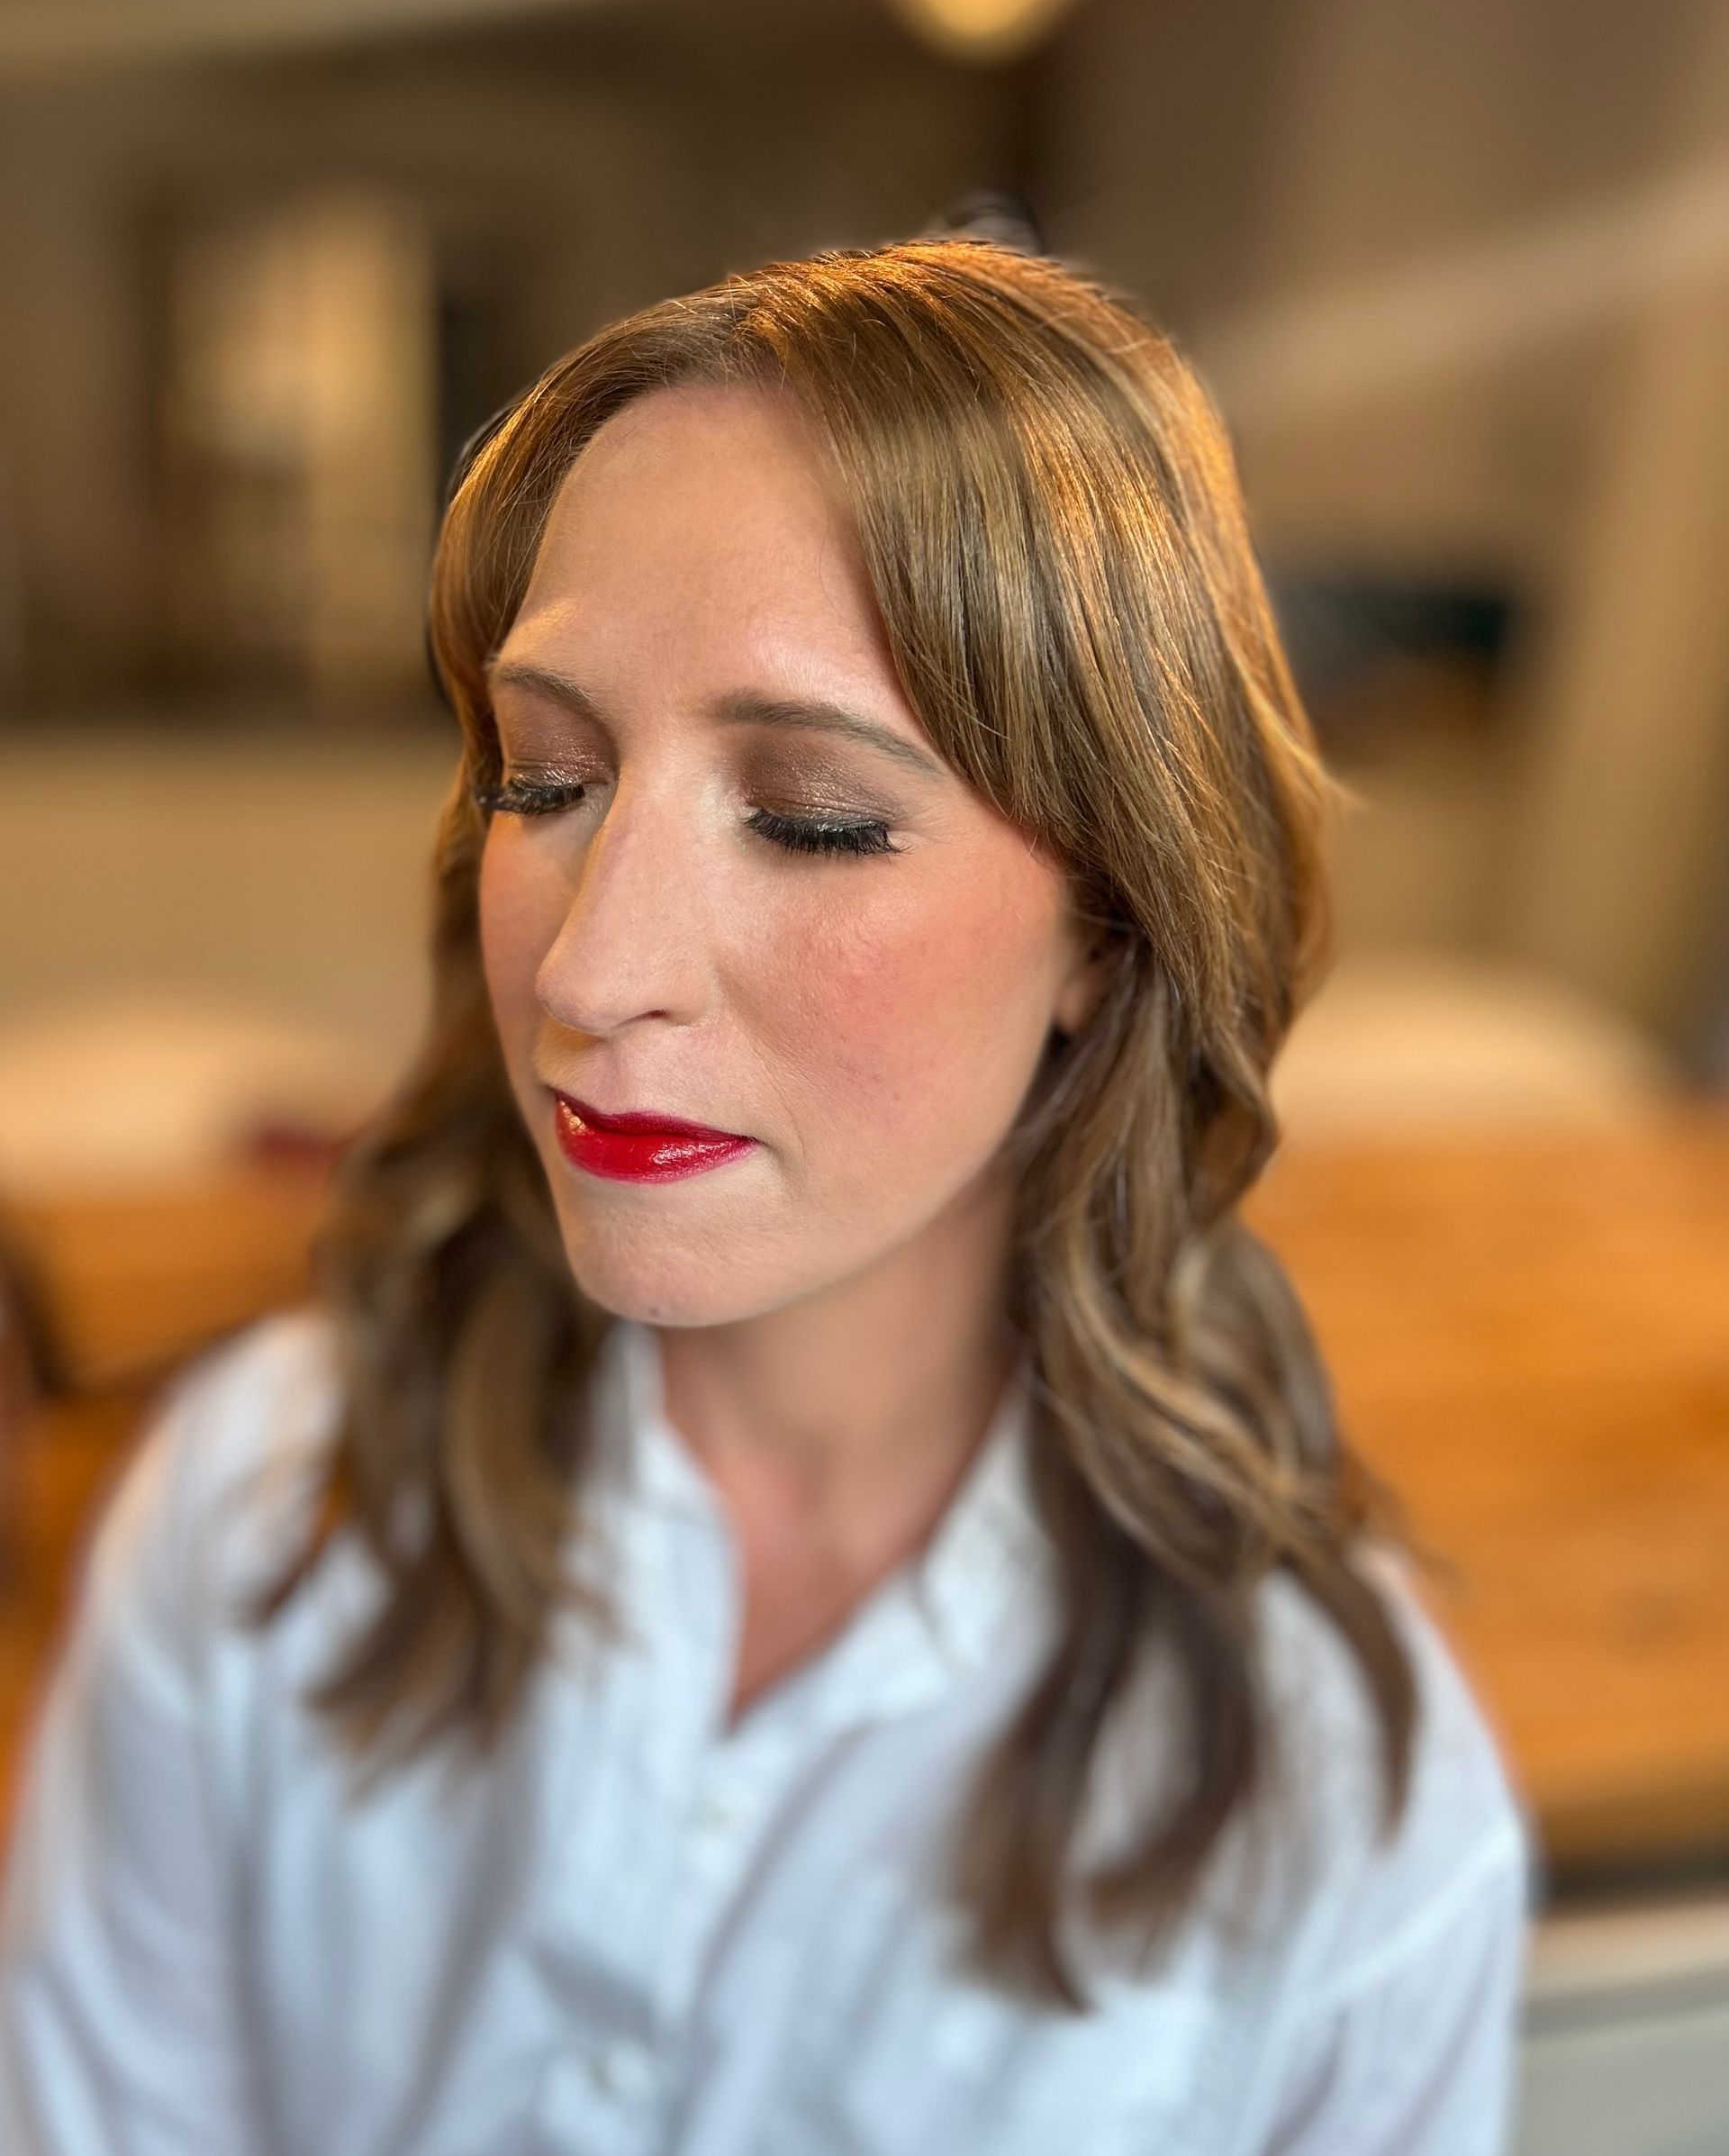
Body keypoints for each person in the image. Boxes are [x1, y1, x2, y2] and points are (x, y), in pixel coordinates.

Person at [0, 234, 1531, 2154]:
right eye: (544, 780)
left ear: (1106, 920)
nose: (592, 968)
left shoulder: (1346, 1817)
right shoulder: (263, 1513)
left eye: (810, 817)